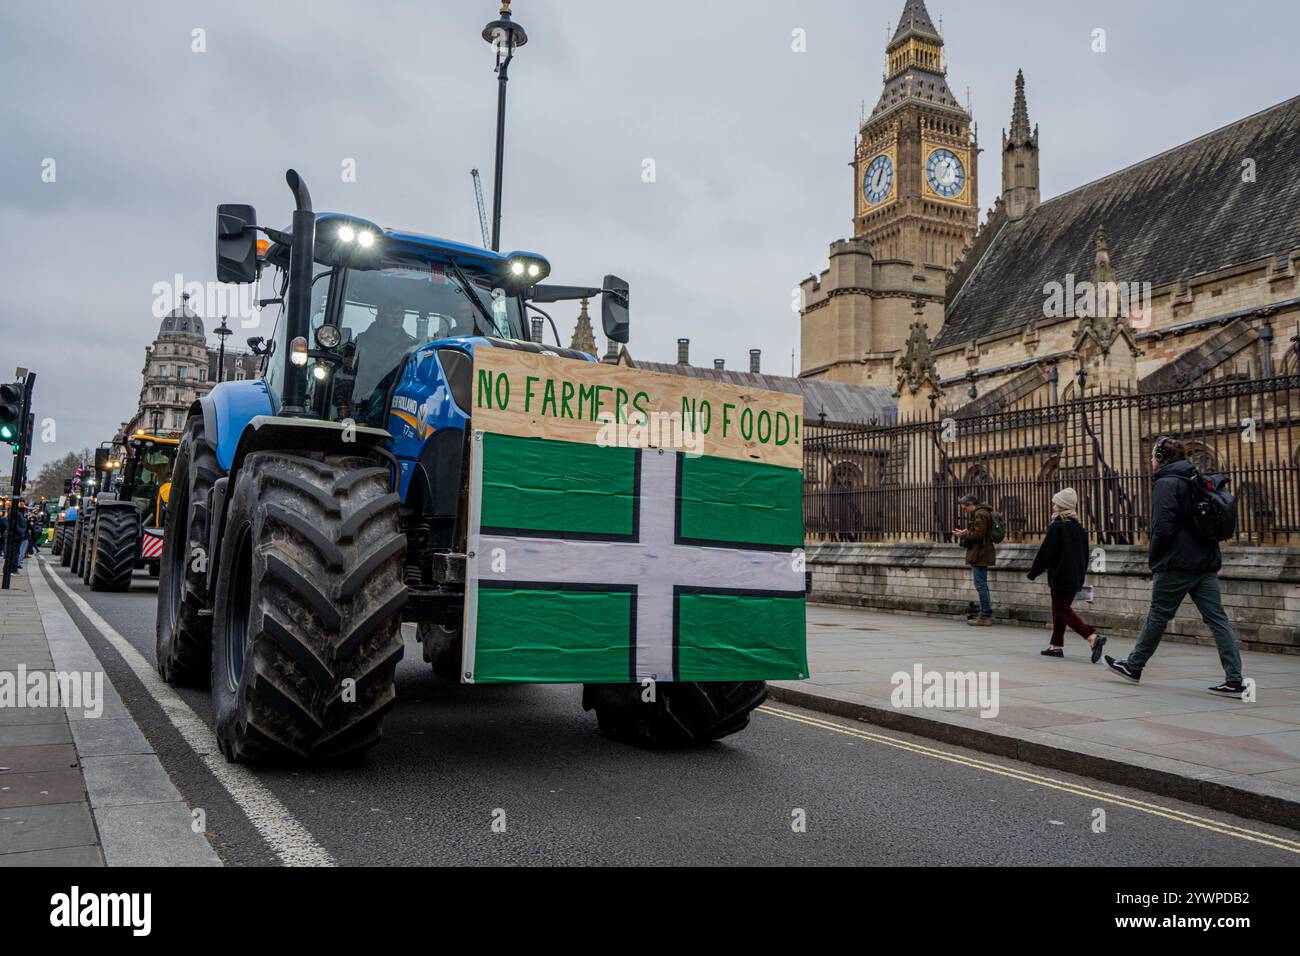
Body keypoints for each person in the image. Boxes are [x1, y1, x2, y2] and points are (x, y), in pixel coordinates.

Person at [1105, 437, 1247, 698]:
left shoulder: (1166, 483)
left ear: (1161, 456)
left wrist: (1155, 558)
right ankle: (1235, 679)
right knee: (1217, 619)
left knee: (1158, 615)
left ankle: (1134, 665)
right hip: (1206, 561)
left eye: (1152, 456)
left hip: (1177, 563)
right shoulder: (1195, 478)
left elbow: (1163, 527)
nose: (1150, 461)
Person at [1027, 488, 1105, 661]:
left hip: (1060, 575)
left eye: (1056, 503)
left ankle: (1092, 637)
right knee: (1059, 609)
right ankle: (1056, 646)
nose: (1053, 505)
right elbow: (1085, 555)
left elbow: (1046, 553)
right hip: (1075, 575)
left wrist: (1033, 572)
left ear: (1062, 507)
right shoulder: (1080, 529)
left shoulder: (1058, 526)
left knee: (1062, 610)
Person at [353, 300, 416, 402]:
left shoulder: (410, 347)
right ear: (380, 316)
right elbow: (352, 369)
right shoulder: (362, 341)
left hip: (398, 395)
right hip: (361, 394)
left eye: (400, 313)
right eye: (391, 312)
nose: (396, 317)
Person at [954, 494, 996, 626]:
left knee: (980, 585)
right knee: (981, 584)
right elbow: (980, 532)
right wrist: (968, 531)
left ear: (971, 504)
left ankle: (984, 616)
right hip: (981, 552)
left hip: (980, 553)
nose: (964, 510)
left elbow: (979, 535)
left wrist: (964, 534)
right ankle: (985, 613)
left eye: (965, 507)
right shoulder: (982, 513)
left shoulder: (980, 514)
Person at [10, 500, 29, 573]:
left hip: (19, 536)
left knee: (17, 552)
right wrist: (22, 532)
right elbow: (16, 525)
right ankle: (13, 569)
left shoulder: (21, 513)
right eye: (21, 505)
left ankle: (14, 568)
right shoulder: (16, 513)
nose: (23, 506)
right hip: (17, 536)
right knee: (15, 552)